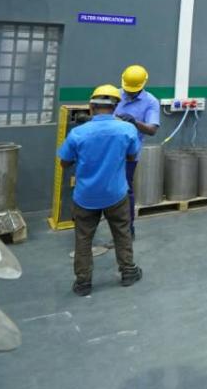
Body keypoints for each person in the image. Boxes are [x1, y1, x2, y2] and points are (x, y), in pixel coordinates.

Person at [59, 85, 143, 296]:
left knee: (83, 239)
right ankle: (128, 272)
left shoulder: (78, 133)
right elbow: (132, 156)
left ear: (91, 107)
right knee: (122, 233)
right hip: (116, 194)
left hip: (85, 196)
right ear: (115, 108)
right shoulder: (127, 130)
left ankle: (83, 282)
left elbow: (64, 163)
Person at [115, 64, 160, 237]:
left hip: (129, 154)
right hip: (108, 150)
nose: (129, 93)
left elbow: (152, 129)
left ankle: (128, 230)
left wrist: (134, 122)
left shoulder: (151, 102)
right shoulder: (115, 95)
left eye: (133, 91)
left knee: (125, 190)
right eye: (128, 90)